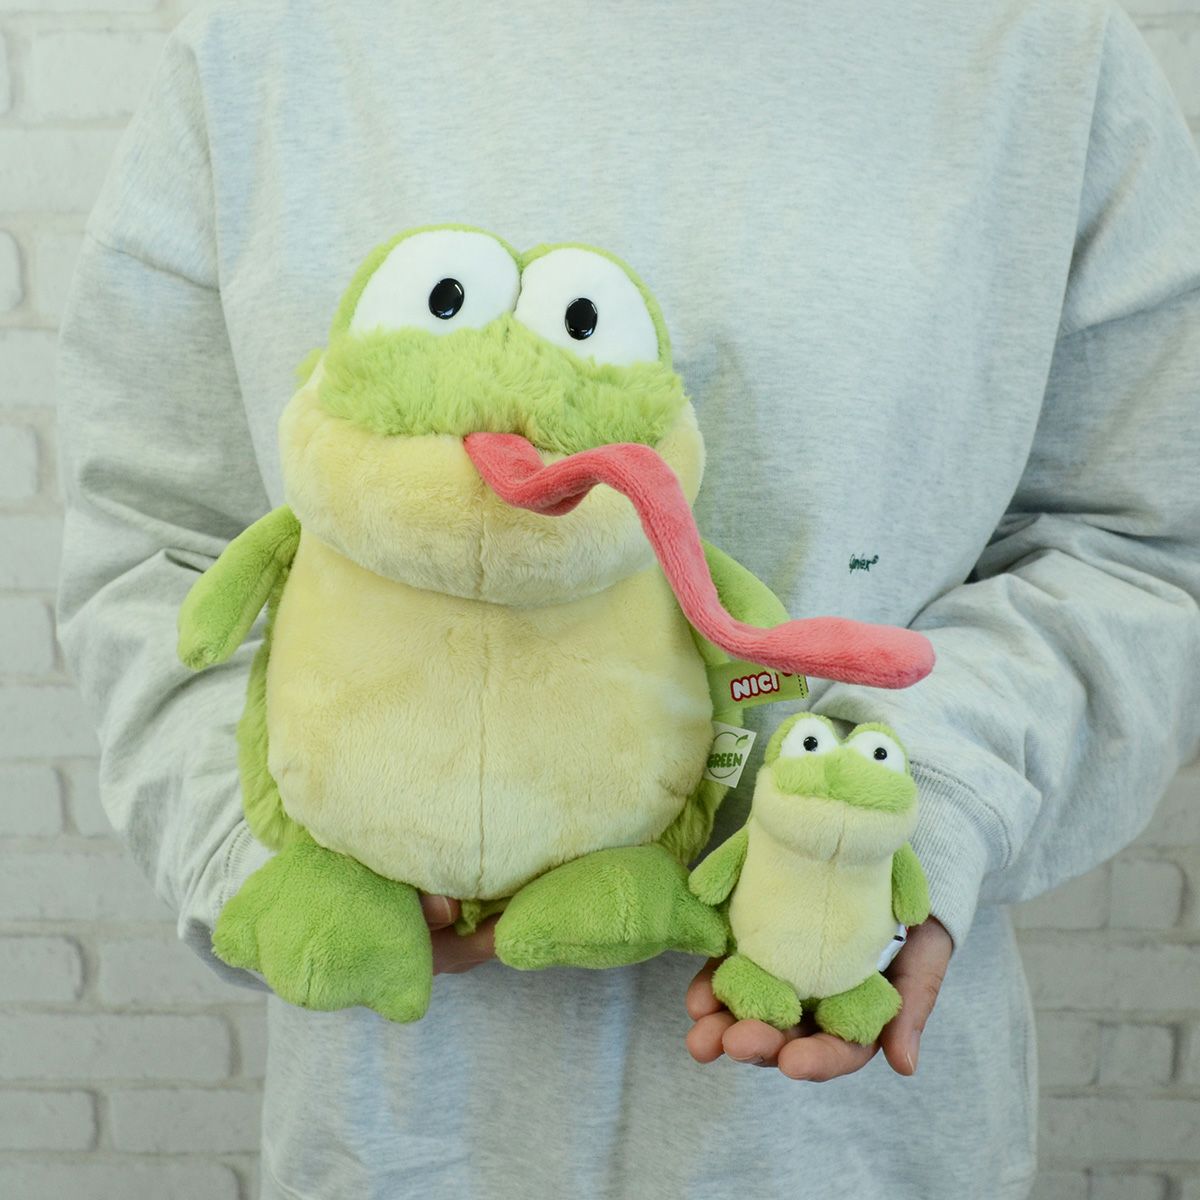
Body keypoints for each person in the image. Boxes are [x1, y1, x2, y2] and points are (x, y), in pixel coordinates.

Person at [54, 1, 1200, 1197]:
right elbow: (157, 542)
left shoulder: (1046, 51)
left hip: (846, 1140)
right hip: (398, 1137)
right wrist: (286, 860)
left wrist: (897, 812)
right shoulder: (266, 46)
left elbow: (1137, 545)